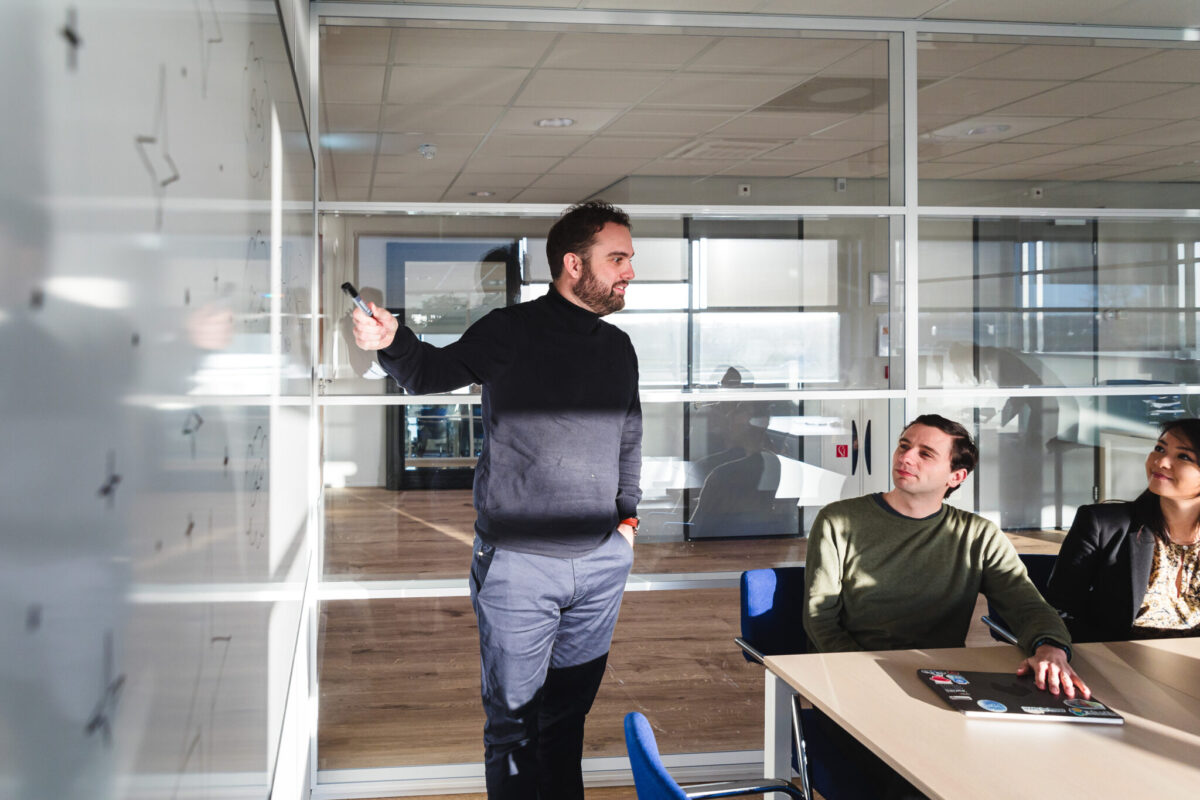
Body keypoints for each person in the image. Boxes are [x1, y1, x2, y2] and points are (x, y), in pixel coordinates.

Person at [352, 200, 642, 800]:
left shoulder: (619, 349)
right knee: (513, 728)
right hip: (519, 568)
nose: (628, 271)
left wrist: (628, 518)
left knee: (566, 721)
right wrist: (392, 340)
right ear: (573, 263)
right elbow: (430, 371)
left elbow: (629, 435)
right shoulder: (510, 331)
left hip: (599, 564)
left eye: (629, 260)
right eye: (617, 258)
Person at [803, 414, 1088, 798]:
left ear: (956, 476)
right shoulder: (839, 520)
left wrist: (1050, 646)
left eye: (925, 453)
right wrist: (866, 678)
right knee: (916, 781)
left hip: (939, 685)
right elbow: (820, 618)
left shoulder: (977, 534)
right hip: (859, 686)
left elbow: (1026, 604)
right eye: (904, 445)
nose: (907, 457)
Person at [1047, 418, 1200, 642]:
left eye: (1183, 456)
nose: (1161, 462)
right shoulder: (1102, 525)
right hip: (1120, 661)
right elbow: (1058, 609)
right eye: (1159, 448)